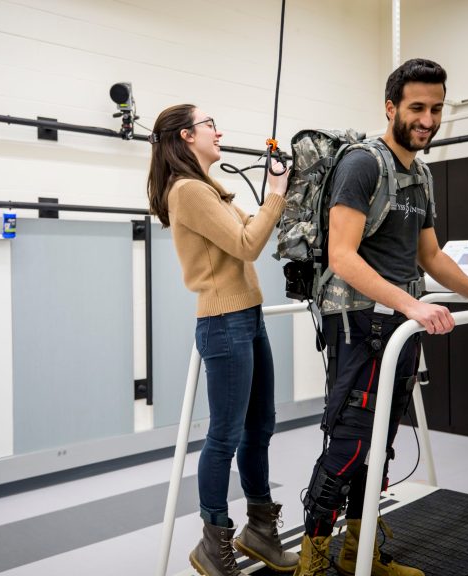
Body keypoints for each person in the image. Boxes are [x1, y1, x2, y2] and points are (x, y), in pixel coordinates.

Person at [294, 59, 468, 576]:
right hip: (358, 323)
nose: (428, 118)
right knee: (348, 444)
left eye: (436, 108)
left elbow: (432, 257)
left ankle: (358, 552)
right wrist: (412, 303)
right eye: (417, 107)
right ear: (390, 107)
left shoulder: (420, 174)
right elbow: (343, 256)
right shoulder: (361, 164)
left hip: (399, 324)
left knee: (380, 446)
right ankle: (312, 558)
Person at [147, 104, 298, 576]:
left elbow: (249, 231)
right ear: (187, 135)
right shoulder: (188, 190)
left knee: (261, 428)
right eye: (211, 124)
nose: (220, 132)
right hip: (224, 322)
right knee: (225, 437)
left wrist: (282, 192)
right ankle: (213, 542)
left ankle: (259, 529)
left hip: (247, 318)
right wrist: (274, 192)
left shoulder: (211, 189)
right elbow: (248, 245)